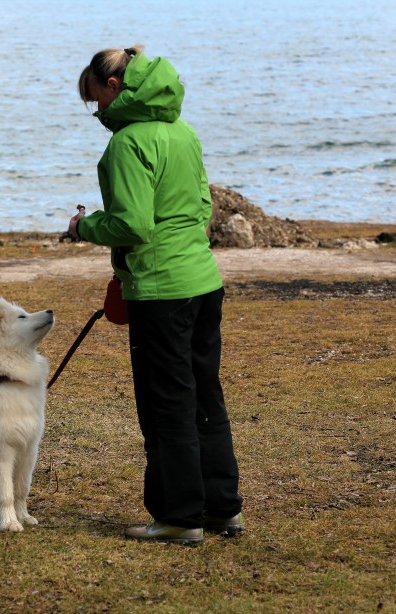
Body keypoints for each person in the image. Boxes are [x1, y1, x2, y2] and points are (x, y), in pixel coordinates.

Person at [69, 45, 244, 545]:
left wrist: (85, 226)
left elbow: (132, 223)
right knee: (204, 396)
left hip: (161, 292)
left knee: (166, 404)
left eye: (93, 99)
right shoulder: (184, 133)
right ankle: (221, 509)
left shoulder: (127, 145)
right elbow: (204, 204)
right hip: (203, 282)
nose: (96, 111)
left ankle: (179, 516)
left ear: (113, 87)